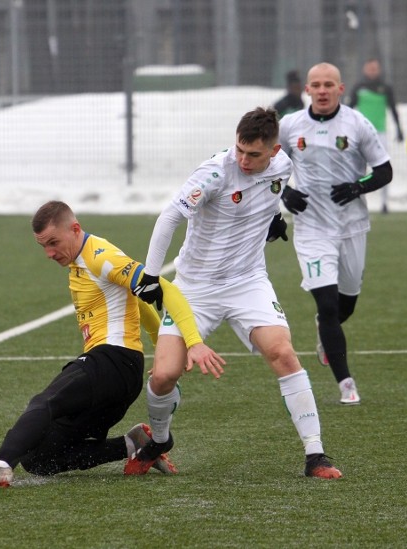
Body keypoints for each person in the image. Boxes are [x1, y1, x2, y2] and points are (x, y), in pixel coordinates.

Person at [128, 107, 342, 479]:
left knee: (283, 353)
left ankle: (316, 455)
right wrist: (149, 275)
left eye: (254, 154)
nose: (243, 160)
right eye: (240, 150)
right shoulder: (214, 172)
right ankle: (160, 441)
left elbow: (269, 195)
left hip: (248, 282)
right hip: (195, 287)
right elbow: (169, 217)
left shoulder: (283, 166)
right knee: (164, 375)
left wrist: (272, 220)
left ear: (274, 151)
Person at [0, 201, 224, 487]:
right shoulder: (81, 262)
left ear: (75, 229)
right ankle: (134, 444)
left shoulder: (99, 257)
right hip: (120, 378)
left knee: (45, 402)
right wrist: (159, 347)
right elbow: (137, 303)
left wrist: (193, 342)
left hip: (112, 362)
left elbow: (165, 290)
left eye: (53, 243)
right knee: (39, 459)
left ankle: (0, 465)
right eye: (43, 246)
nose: (49, 253)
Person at [278, 63, 392, 406]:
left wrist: (358, 187)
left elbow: (384, 171)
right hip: (311, 229)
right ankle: (346, 383)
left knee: (346, 304)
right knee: (327, 305)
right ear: (307, 90)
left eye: (329, 84)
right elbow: (266, 166)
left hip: (351, 227)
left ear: (341, 89)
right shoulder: (289, 126)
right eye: (316, 85)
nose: (323, 90)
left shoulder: (357, 124)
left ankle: (324, 332)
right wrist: (284, 192)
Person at [347, 58, 403, 213]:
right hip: (360, 133)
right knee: (357, 167)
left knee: (382, 168)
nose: (372, 71)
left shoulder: (385, 88)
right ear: (365, 70)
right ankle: (354, 196)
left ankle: (384, 203)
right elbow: (348, 109)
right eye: (369, 68)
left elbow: (393, 109)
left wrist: (399, 129)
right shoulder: (359, 87)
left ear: (379, 70)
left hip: (380, 133)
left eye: (375, 68)